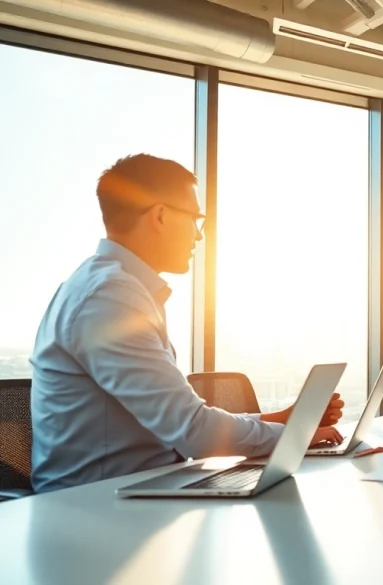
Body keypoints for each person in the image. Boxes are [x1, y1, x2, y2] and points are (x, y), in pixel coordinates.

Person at [30, 154, 343, 493]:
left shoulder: (118, 289)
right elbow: (196, 433)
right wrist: (295, 436)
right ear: (161, 216)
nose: (198, 236)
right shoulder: (109, 298)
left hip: (138, 490)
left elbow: (185, 420)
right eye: (195, 219)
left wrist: (283, 419)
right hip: (93, 507)